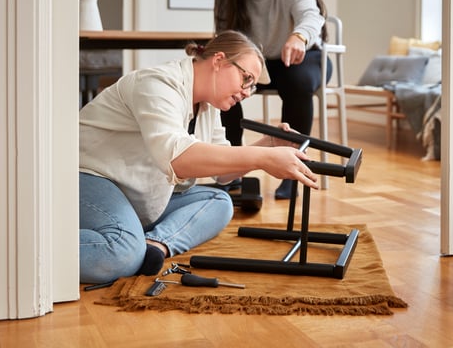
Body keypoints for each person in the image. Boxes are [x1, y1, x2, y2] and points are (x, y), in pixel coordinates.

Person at [79, 30, 318, 284]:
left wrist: (268, 145)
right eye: (246, 78)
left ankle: (154, 244)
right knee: (123, 253)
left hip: (137, 193)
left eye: (253, 85)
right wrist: (263, 158)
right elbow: (178, 159)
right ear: (218, 61)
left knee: (219, 201)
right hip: (91, 177)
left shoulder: (208, 105)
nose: (248, 92)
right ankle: (39, 248)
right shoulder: (158, 84)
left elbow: (223, 173)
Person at [214, 0, 332, 199]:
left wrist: (299, 36)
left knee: (297, 82)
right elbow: (224, 36)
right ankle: (232, 168)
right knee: (224, 83)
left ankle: (294, 170)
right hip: (260, 63)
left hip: (304, 57)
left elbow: (312, 16)